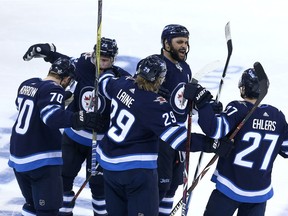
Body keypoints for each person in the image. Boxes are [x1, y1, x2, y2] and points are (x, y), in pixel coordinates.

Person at [96, 54, 229, 216]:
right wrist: (211, 144)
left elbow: (103, 82)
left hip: (109, 167)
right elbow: (179, 140)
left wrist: (112, 70)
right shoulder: (155, 104)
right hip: (137, 173)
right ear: (160, 79)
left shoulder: (120, 84)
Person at [22, 38, 130, 216]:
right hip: (73, 138)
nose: (102, 61)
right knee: (62, 181)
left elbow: (135, 93)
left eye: (107, 58)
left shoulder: (119, 77)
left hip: (101, 144)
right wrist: (49, 53)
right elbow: (64, 61)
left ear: (113, 59)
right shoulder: (82, 65)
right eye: (99, 56)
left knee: (100, 189)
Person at [183, 66, 288, 216]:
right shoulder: (277, 116)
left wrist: (203, 104)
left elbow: (214, 129)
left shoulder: (238, 108)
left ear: (243, 88)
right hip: (258, 194)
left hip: (229, 188)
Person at [8, 57, 105, 216]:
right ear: (66, 79)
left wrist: (60, 103)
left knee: (32, 205)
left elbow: (27, 107)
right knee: (49, 211)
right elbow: (51, 118)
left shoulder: (28, 83)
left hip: (18, 157)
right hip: (40, 160)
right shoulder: (54, 89)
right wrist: (81, 117)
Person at [156, 24, 193, 215]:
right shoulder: (155, 65)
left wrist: (203, 104)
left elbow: (183, 101)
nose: (184, 46)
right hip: (160, 138)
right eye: (179, 41)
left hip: (178, 138)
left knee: (172, 186)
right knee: (158, 187)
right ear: (166, 43)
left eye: (186, 42)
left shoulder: (185, 68)